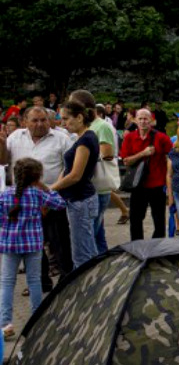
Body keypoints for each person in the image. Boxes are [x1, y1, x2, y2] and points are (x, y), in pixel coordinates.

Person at [0, 107, 74, 291]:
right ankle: (41, 281)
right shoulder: (15, 137)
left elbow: (69, 168)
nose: (40, 124)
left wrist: (49, 193)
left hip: (52, 199)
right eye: (35, 120)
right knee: (34, 246)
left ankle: (66, 281)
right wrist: (1, 144)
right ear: (25, 121)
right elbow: (3, 162)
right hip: (25, 202)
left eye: (43, 120)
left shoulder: (61, 139)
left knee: (60, 243)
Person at [0, 158, 65, 338]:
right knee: (34, 281)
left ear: (15, 174)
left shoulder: (5, 195)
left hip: (9, 244)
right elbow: (60, 203)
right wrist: (45, 187)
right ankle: (36, 321)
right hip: (33, 243)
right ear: (37, 177)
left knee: (6, 283)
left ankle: (5, 324)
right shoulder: (38, 194)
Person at [50, 100, 100, 268]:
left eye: (66, 119)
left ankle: (88, 291)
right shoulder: (84, 137)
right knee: (88, 249)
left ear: (79, 117)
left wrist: (51, 189)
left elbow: (75, 175)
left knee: (82, 255)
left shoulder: (85, 140)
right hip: (81, 199)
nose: (63, 123)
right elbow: (68, 170)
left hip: (80, 200)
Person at [70, 90, 115, 255]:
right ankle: (103, 265)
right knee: (97, 235)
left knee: (90, 236)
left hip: (98, 187)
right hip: (90, 186)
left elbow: (107, 154)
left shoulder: (101, 126)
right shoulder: (88, 126)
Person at [121, 108, 173, 240]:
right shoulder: (130, 138)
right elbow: (126, 161)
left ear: (151, 121)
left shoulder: (161, 138)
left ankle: (157, 249)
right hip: (138, 184)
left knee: (159, 220)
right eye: (140, 118)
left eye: (146, 119)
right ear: (135, 120)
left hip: (157, 184)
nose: (143, 121)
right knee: (135, 219)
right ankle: (138, 247)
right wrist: (143, 154)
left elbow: (173, 156)